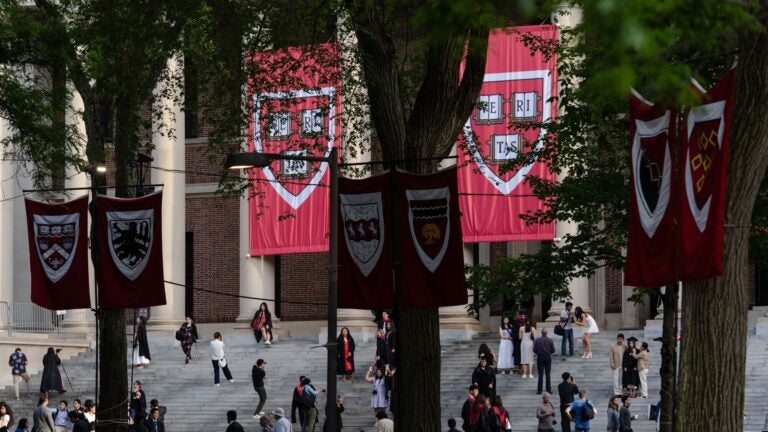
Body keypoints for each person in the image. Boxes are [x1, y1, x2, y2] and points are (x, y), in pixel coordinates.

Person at [533, 328, 556, 394]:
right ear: (547, 333)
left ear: (541, 333)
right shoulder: (550, 340)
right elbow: (553, 350)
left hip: (540, 357)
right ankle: (548, 389)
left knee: (540, 374)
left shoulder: (537, 340)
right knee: (548, 374)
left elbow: (534, 350)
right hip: (548, 357)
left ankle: (539, 390)